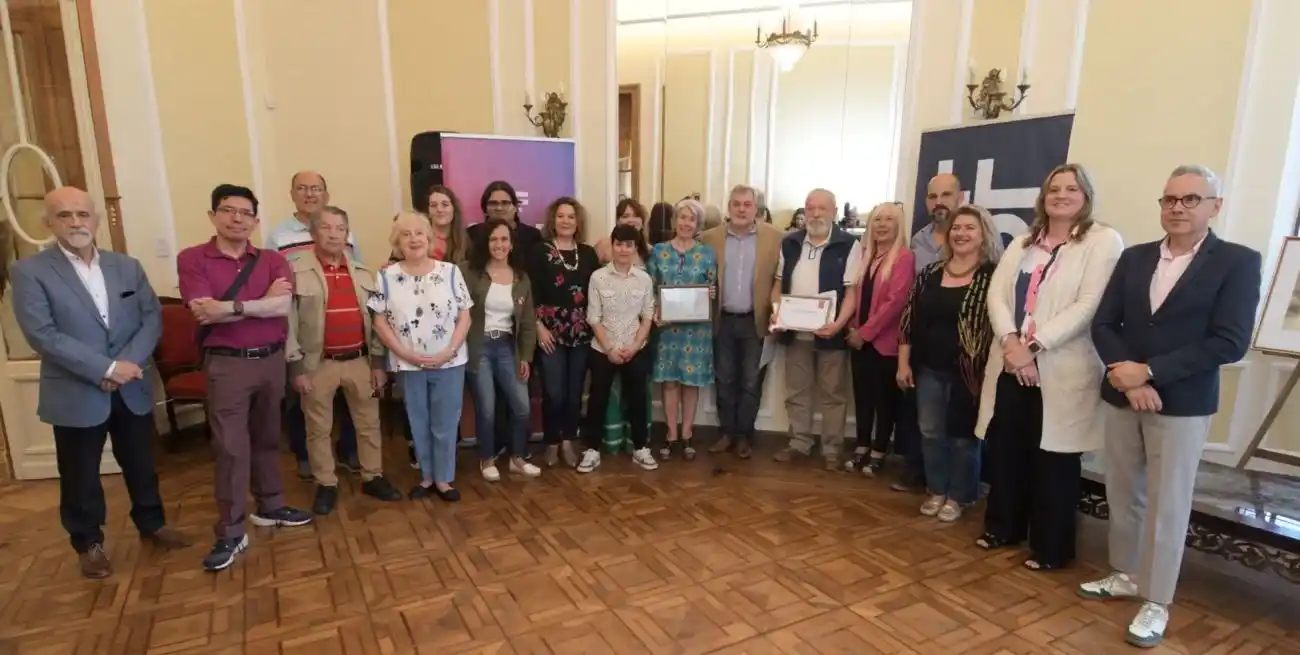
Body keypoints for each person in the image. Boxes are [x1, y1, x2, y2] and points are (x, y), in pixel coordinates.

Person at [1079, 165, 1261, 648]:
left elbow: (1231, 341)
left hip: (1181, 402)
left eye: (1190, 199)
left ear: (1214, 207)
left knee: (1167, 504)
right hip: (1124, 392)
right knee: (1123, 491)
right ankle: (1125, 574)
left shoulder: (1238, 262)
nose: (1177, 208)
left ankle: (1156, 600)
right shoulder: (1136, 257)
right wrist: (1127, 372)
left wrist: (1151, 372)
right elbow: (1104, 324)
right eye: (1169, 199)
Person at [12, 187, 190, 579]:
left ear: (95, 219)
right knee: (80, 475)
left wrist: (126, 365)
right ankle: (88, 542)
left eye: (82, 214)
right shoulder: (30, 272)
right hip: (77, 391)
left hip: (132, 386)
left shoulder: (126, 267)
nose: (75, 222)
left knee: (142, 464)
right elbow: (43, 334)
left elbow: (151, 319)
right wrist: (106, 368)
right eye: (64, 216)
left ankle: (152, 523)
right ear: (49, 223)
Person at [975, 163, 1124, 571]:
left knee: (1053, 459)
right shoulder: (1023, 241)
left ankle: (1050, 548)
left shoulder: (1102, 240)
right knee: (1006, 450)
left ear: (1085, 196)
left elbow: (1090, 304)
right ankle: (1002, 527)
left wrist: (1034, 346)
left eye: (1071, 188)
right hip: (1010, 363)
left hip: (1060, 367)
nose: (1061, 195)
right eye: (1054, 188)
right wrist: (1010, 343)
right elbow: (996, 296)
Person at [177, 184, 313, 572]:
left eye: (245, 212)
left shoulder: (271, 259)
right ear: (213, 216)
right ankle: (232, 530)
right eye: (227, 210)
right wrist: (257, 306)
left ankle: (270, 506)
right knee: (232, 448)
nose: (236, 218)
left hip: (271, 361)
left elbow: (281, 305)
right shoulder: (193, 259)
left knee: (269, 439)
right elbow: (203, 312)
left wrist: (230, 308)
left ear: (255, 219)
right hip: (227, 364)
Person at [285, 206, 402, 516]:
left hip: (359, 361)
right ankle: (326, 484)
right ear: (313, 233)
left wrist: (378, 362)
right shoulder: (295, 272)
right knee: (318, 428)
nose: (334, 233)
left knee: (369, 424)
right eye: (327, 227)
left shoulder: (363, 273)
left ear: (347, 234)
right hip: (317, 364)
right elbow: (288, 324)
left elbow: (378, 319)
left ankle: (372, 477)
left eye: (340, 228)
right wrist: (295, 367)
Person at [897, 205, 999, 521]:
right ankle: (937, 490)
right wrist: (904, 363)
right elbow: (908, 320)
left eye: (970, 227)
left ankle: (960, 495)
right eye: (956, 227)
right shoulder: (930, 273)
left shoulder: (993, 276)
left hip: (972, 375)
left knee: (963, 437)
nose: (961, 233)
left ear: (983, 234)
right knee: (930, 432)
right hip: (929, 368)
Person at [369, 213, 471, 501]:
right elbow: (379, 321)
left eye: (419, 233)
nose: (413, 239)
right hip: (407, 363)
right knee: (418, 421)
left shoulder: (450, 271)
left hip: (449, 361)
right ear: (397, 242)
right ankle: (426, 477)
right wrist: (404, 353)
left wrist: (449, 351)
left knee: (446, 422)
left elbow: (465, 315)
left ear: (429, 238)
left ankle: (444, 479)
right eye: (406, 234)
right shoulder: (385, 276)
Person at [267, 171, 359, 480]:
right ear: (292, 194)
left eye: (316, 188)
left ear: (326, 194)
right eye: (303, 189)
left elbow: (354, 276)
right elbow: (275, 284)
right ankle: (305, 457)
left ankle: (347, 452)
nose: (310, 194)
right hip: (304, 333)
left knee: (346, 400)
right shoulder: (278, 236)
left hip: (340, 331)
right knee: (301, 400)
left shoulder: (346, 232)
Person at [771, 188, 864, 470]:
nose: (816, 213)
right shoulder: (790, 243)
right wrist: (777, 315)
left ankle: (832, 448)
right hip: (794, 332)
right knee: (797, 392)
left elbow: (852, 293)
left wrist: (837, 325)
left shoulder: (849, 245)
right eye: (810, 208)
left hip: (830, 334)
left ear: (834, 212)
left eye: (822, 208)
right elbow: (778, 284)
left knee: (833, 394)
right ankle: (799, 442)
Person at [700, 184, 783, 459]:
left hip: (755, 321)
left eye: (747, 204)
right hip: (721, 319)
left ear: (756, 208)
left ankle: (744, 435)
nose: (741, 209)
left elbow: (781, 279)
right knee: (723, 379)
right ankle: (726, 433)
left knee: (751, 381)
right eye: (736, 203)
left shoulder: (775, 238)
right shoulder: (709, 238)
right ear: (728, 207)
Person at [465, 218, 542, 481]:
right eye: (493, 239)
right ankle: (487, 459)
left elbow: (529, 323)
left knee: (522, 406)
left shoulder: (521, 278)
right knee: (486, 407)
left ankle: (517, 458)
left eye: (504, 239)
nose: (499, 244)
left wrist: (526, 357)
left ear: (511, 244)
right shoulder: (470, 272)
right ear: (486, 243)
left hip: (508, 346)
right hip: (479, 347)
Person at [578, 224, 656, 473]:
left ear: (635, 249)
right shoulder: (598, 277)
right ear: (612, 246)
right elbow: (593, 317)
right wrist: (610, 348)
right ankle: (591, 450)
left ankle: (641, 448)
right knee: (597, 399)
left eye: (629, 245)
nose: (624, 249)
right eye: (619, 244)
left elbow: (647, 317)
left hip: (635, 347)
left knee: (637, 398)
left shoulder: (644, 279)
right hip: (603, 349)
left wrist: (634, 346)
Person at [530, 197, 600, 467]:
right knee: (553, 391)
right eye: (561, 216)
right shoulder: (539, 251)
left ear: (578, 221)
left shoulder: (589, 253)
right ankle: (552, 442)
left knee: (574, 392)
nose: (566, 221)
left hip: (582, 332)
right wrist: (538, 328)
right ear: (552, 220)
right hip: (549, 331)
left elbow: (597, 292)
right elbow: (529, 291)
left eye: (571, 216)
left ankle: (569, 441)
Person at [846, 202, 915, 476]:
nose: (882, 225)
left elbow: (895, 302)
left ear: (898, 226)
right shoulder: (863, 255)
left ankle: (878, 451)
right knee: (862, 398)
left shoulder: (904, 258)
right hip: (858, 340)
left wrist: (865, 333)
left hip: (884, 344)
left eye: (888, 220)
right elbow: (853, 296)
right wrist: (853, 329)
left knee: (884, 402)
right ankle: (861, 446)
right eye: (877, 219)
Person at [648, 199, 717, 460]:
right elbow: (651, 288)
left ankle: (687, 434)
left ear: (698, 224)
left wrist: (711, 292)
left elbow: (711, 287)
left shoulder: (708, 253)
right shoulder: (658, 251)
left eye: (691, 219)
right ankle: (670, 435)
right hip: (667, 328)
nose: (686, 223)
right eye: (682, 217)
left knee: (690, 383)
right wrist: (656, 312)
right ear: (674, 221)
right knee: (669, 382)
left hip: (696, 330)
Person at [468, 180, 542, 259]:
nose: (499, 208)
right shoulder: (472, 235)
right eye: (493, 203)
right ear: (485, 208)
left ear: (515, 207)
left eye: (505, 203)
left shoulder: (533, 236)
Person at [596, 198, 649, 263]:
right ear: (617, 221)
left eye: (636, 216)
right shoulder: (604, 245)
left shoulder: (649, 249)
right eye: (625, 216)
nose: (631, 220)